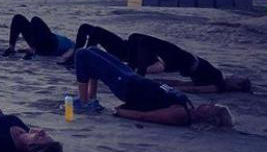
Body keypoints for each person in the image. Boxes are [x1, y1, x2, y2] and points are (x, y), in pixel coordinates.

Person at [73, 47, 233, 127]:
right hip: (133, 78)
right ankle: (91, 100)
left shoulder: (181, 114)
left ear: (210, 118)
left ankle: (84, 102)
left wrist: (118, 111)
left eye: (212, 108)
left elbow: (146, 117)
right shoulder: (188, 106)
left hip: (127, 86)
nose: (209, 105)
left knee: (82, 54)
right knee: (93, 50)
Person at [126, 33, 252, 93]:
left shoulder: (218, 85)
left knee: (139, 39)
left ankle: (135, 75)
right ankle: (133, 73)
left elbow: (192, 88)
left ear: (237, 86)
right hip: (182, 61)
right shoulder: (218, 80)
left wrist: (164, 88)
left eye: (238, 79)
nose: (235, 76)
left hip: (182, 59)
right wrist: (160, 83)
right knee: (136, 39)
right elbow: (185, 83)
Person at [1, 14, 74, 59]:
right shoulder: (70, 43)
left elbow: (67, 55)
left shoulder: (73, 45)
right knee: (18, 18)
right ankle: (11, 48)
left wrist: (61, 58)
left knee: (35, 19)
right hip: (40, 43)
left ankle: (32, 49)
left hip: (51, 44)